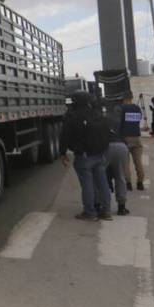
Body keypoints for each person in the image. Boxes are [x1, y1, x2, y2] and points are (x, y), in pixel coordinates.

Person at [60, 92, 113, 221]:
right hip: (100, 154)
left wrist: (62, 153)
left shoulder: (72, 116)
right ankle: (106, 211)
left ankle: (90, 212)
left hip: (83, 156)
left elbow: (65, 135)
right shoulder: (97, 114)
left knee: (87, 185)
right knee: (103, 183)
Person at [115, 92, 146, 190]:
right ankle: (140, 182)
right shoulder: (137, 108)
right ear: (132, 97)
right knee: (138, 162)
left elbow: (118, 124)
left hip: (125, 138)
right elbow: (139, 119)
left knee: (125, 163)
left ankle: (128, 184)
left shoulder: (120, 108)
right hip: (136, 137)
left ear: (123, 98)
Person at [104, 119, 131, 216]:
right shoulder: (118, 127)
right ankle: (121, 207)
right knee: (120, 177)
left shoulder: (99, 125)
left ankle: (101, 205)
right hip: (121, 146)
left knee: (100, 177)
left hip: (106, 147)